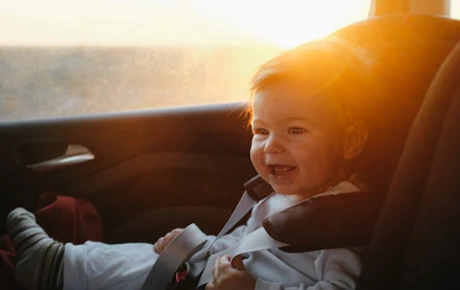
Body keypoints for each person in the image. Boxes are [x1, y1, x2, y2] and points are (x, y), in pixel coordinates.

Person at [6, 36, 376, 290]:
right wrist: (200, 248)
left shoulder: (339, 227)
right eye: (261, 130)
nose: (271, 146)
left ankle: (58, 267)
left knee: (140, 266)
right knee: (144, 256)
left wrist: (256, 288)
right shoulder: (288, 194)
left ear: (350, 141)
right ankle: (58, 263)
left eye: (295, 130)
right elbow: (248, 239)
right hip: (211, 272)